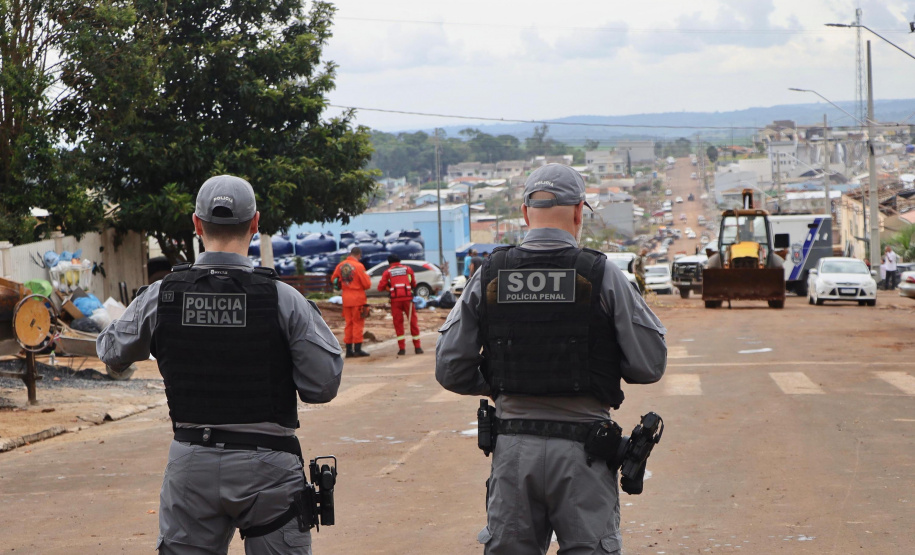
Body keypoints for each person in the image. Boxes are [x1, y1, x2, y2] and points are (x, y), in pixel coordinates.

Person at [96, 175, 343, 554]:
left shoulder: (163, 295)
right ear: (255, 223)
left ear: (196, 224)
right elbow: (322, 386)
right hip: (270, 470)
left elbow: (112, 352)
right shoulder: (283, 299)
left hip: (192, 465)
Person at [435, 164, 667, 555]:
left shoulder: (490, 273)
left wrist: (503, 379)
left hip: (513, 453)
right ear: (579, 212)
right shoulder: (602, 274)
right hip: (585, 455)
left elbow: (450, 368)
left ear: (525, 213)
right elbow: (648, 365)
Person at [377, 254, 423, 355]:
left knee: (398, 323)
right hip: (408, 299)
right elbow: (413, 284)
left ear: (389, 263)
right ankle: (418, 348)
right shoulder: (408, 269)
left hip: (395, 300)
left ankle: (402, 349)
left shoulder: (387, 272)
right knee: (413, 322)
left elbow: (380, 287)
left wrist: (389, 288)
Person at [331, 246, 372, 357]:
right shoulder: (359, 266)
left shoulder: (341, 265)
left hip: (346, 298)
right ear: (359, 254)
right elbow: (367, 284)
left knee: (348, 324)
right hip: (358, 298)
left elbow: (333, 279)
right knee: (358, 323)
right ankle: (357, 349)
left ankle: (349, 350)